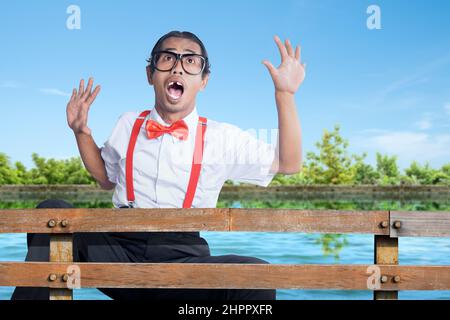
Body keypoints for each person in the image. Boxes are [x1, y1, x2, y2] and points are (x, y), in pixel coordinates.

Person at [12, 30, 305, 300]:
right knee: (52, 213)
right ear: (150, 74)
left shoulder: (221, 137)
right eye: (167, 58)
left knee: (257, 276)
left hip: (183, 258)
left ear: (203, 81)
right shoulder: (128, 123)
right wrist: (80, 132)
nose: (178, 67)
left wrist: (285, 95)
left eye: (190, 60)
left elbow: (289, 163)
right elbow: (105, 177)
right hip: (117, 250)